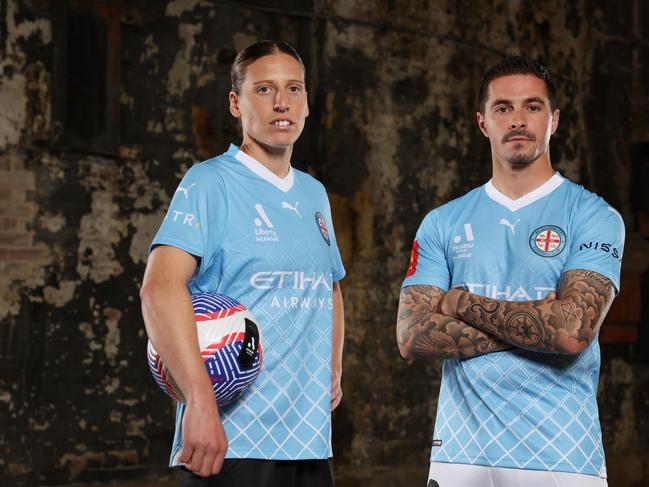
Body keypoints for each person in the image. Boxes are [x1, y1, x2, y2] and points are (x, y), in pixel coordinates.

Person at [396, 56, 624, 487]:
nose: (517, 120)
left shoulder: (594, 215)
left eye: (532, 107)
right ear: (483, 122)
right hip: (460, 457)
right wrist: (538, 321)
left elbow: (571, 331)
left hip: (562, 455)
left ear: (554, 119)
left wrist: (458, 303)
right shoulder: (443, 221)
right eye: (503, 108)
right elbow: (410, 335)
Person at [140, 40, 346, 487]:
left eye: (294, 89)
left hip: (310, 441)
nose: (281, 103)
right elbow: (158, 289)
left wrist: (333, 367)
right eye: (264, 89)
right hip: (233, 441)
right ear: (236, 103)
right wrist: (199, 402)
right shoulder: (209, 182)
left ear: (307, 102)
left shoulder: (314, 194)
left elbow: (329, 285)